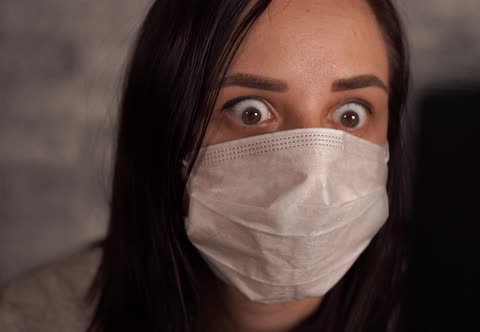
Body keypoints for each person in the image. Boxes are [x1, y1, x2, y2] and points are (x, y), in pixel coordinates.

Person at [0, 0, 410, 331]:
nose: (311, 173)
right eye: (250, 112)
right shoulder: (32, 318)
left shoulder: (450, 307)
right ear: (168, 130)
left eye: (351, 115)